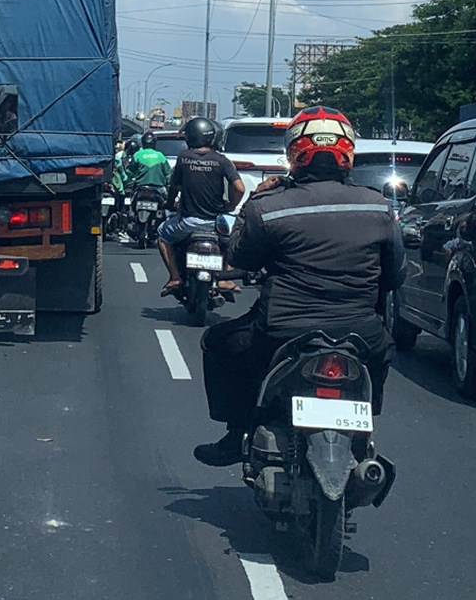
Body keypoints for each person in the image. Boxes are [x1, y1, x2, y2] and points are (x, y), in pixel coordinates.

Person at [193, 106, 404, 467]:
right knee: (383, 351)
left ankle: (235, 435)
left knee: (217, 342)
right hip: (361, 333)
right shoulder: (379, 207)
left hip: (282, 330)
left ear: (294, 154)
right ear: (347, 153)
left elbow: (242, 259)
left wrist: (257, 197)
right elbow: (393, 278)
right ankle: (364, 427)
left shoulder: (269, 207)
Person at [157, 117, 243, 294]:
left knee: (162, 236)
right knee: (234, 241)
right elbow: (240, 188)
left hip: (187, 223)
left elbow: (174, 186)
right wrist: (230, 205)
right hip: (216, 223)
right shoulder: (222, 160)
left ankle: (175, 277)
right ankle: (226, 279)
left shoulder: (183, 157)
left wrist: (170, 203)